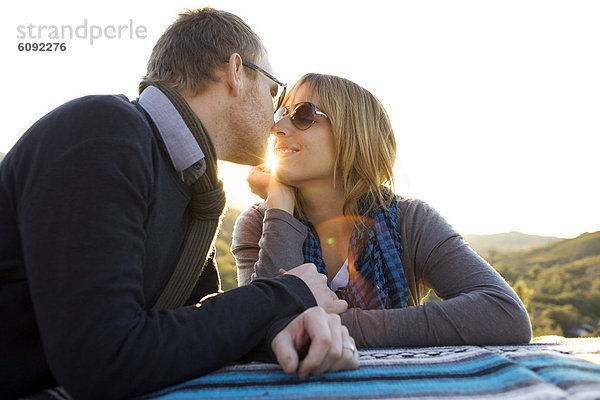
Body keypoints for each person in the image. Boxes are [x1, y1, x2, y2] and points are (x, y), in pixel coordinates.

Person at [0, 10, 359, 400]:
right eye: (274, 91)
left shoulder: (188, 188)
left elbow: (184, 331)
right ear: (236, 72)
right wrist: (285, 293)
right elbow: (103, 359)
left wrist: (278, 330)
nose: (276, 120)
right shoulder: (103, 135)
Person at [232, 73, 533, 348]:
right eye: (280, 112)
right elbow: (255, 328)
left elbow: (503, 313)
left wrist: (336, 325)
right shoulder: (260, 223)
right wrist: (280, 206)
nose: (277, 127)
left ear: (353, 134)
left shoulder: (409, 221)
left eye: (303, 114)